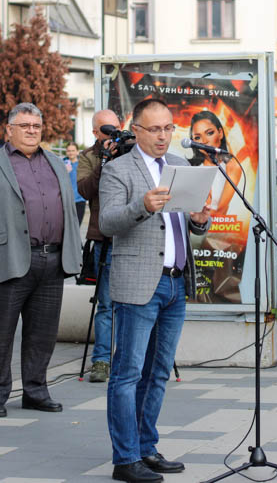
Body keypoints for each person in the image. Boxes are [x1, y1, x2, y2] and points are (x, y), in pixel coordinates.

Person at [99, 98, 211, 483]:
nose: (164, 136)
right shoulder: (118, 170)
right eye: (155, 129)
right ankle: (125, 458)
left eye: (168, 128)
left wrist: (199, 220)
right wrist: (142, 206)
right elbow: (107, 222)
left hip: (176, 282)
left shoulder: (180, 166)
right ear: (137, 129)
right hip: (138, 284)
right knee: (127, 373)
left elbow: (190, 225)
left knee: (158, 372)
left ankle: (146, 448)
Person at [0, 102, 83, 417]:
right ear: (9, 130)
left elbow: (69, 213)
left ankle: (35, 390)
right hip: (9, 258)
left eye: (36, 126)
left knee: (43, 333)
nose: (32, 131)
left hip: (52, 259)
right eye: (25, 126)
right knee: (0, 332)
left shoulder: (58, 164)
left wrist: (75, 251)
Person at [77, 109, 122, 383]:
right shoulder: (89, 157)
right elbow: (84, 191)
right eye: (108, 129)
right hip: (104, 239)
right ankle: (101, 362)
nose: (114, 134)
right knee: (105, 304)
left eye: (117, 128)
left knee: (135, 304)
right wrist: (104, 161)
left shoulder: (133, 151)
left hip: (132, 237)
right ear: (95, 132)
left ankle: (130, 358)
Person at [187, 110, 242, 215]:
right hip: (195, 227)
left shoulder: (232, 166)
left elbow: (221, 210)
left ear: (220, 133)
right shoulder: (191, 168)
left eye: (209, 133)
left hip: (223, 227)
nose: (204, 141)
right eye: (197, 137)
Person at [63, 143, 87, 224]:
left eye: (73, 151)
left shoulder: (82, 164)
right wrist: (65, 172)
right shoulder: (62, 164)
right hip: (66, 200)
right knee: (66, 227)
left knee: (77, 226)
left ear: (77, 152)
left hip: (80, 200)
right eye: (69, 151)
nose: (71, 153)